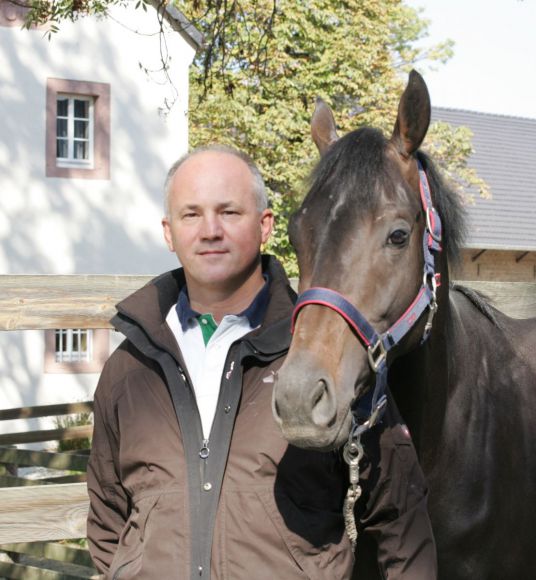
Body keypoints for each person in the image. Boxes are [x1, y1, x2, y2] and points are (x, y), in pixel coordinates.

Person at [86, 145, 437, 580]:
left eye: (229, 212)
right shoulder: (128, 370)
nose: (210, 230)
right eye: (191, 214)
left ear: (265, 225)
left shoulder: (327, 358)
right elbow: (107, 524)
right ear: (169, 232)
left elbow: (400, 521)